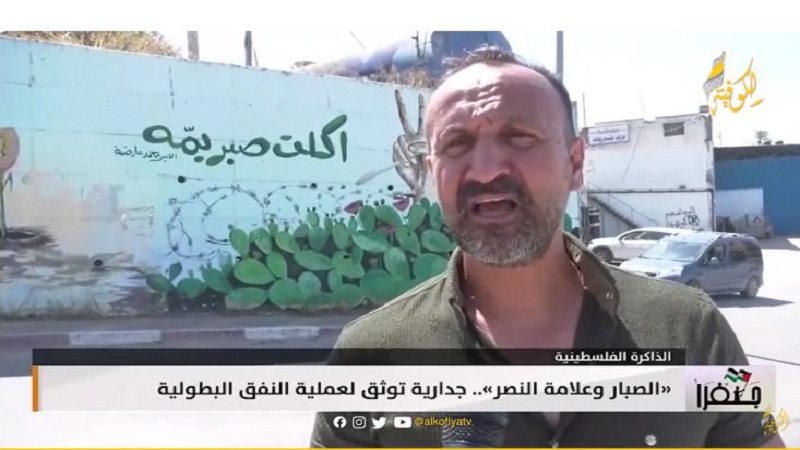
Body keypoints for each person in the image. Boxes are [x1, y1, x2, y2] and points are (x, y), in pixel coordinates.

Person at [309, 46, 785, 448]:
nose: (486, 169)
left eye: (519, 137)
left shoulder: (693, 328)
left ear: (575, 163)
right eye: (456, 144)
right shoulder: (367, 357)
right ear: (433, 172)